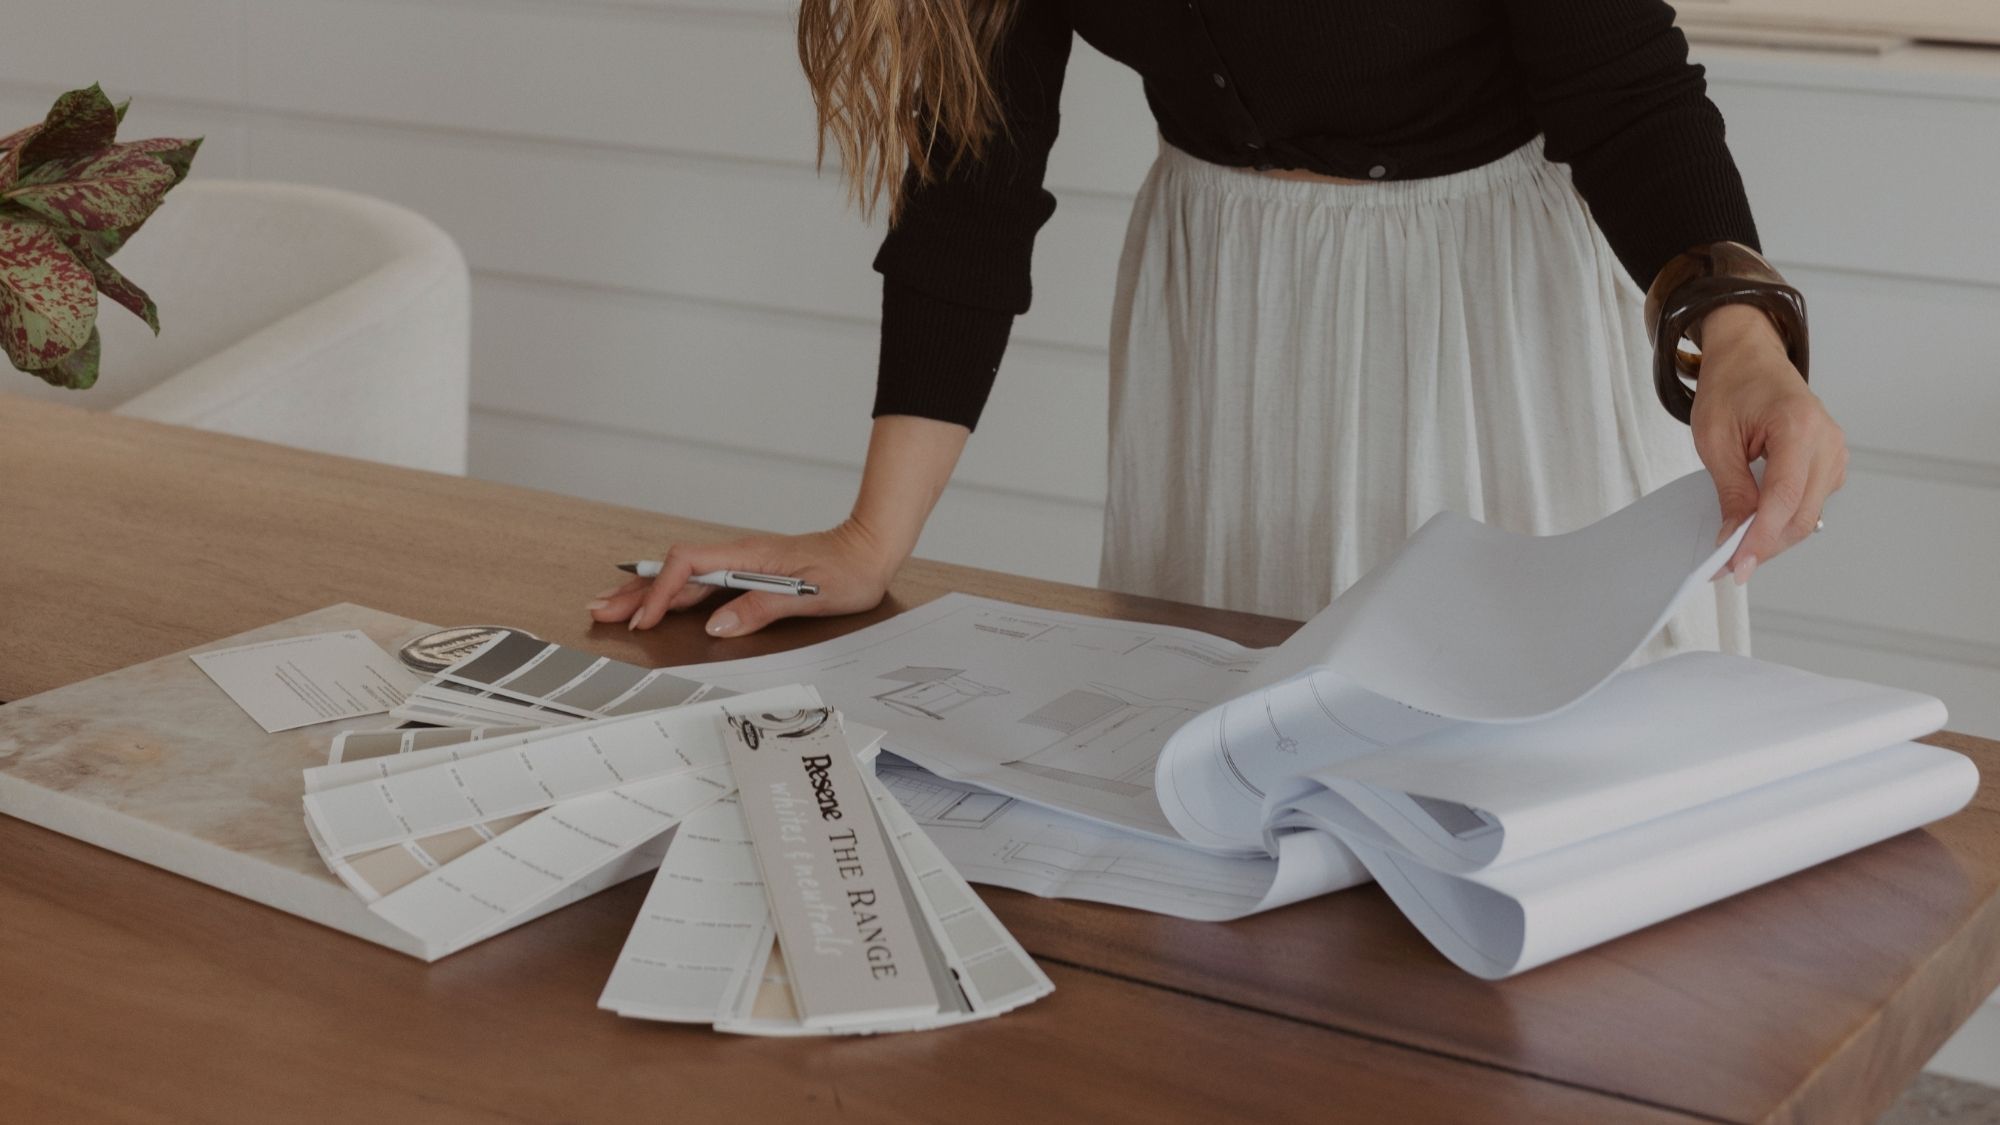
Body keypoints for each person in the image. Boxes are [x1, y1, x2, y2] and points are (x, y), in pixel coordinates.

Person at [591, 0, 1847, 651]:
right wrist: (871, 537)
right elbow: (973, 178)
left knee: (1529, 807)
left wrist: (1735, 343)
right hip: (1227, 310)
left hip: (1478, 304)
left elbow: (1625, 97)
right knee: (1234, 806)